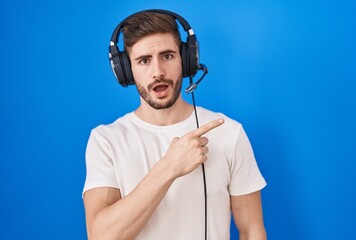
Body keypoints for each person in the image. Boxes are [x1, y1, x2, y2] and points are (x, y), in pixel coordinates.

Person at [83, 9, 267, 240]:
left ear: (186, 60)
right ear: (126, 71)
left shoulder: (228, 132)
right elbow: (100, 236)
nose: (158, 72)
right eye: (144, 61)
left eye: (167, 56)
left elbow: (252, 230)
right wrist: (169, 168)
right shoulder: (106, 140)